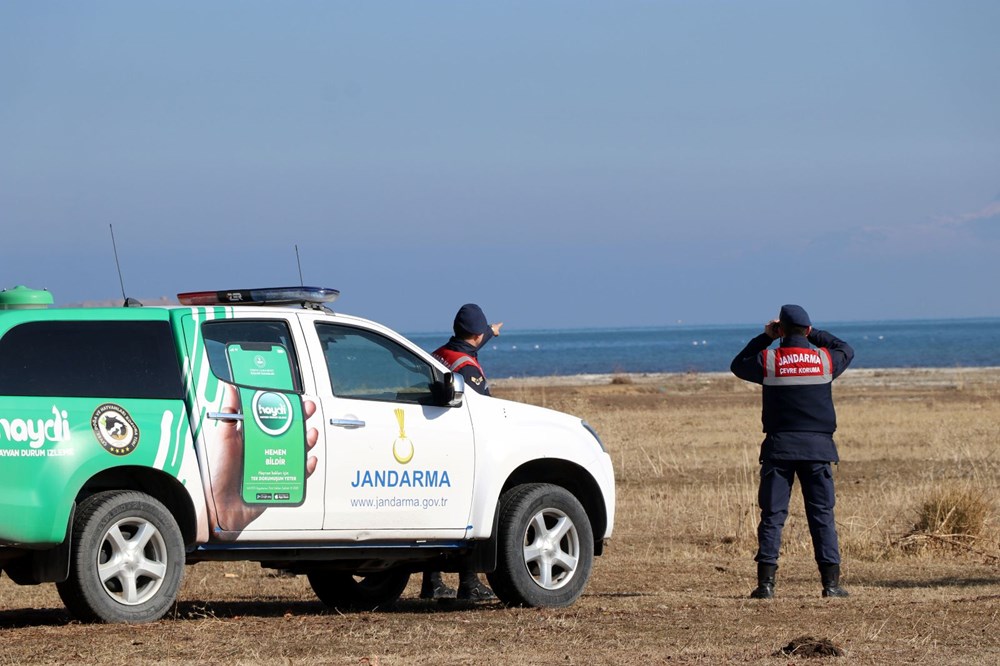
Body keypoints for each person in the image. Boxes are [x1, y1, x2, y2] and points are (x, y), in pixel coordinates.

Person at [730, 304, 854, 600]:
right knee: (822, 515)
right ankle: (831, 585)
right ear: (808, 330)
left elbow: (738, 365)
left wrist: (766, 338)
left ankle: (766, 585)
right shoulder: (823, 360)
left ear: (781, 330)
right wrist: (816, 335)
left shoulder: (769, 360)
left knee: (773, 515)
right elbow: (845, 348)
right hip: (818, 449)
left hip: (779, 449)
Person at [419, 303, 502, 601]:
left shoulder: (440, 353)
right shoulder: (467, 367)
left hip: (433, 444)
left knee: (436, 518)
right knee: (470, 515)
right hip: (460, 447)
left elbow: (469, 343)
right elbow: (485, 408)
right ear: (476, 336)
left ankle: (432, 583)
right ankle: (469, 583)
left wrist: (491, 331)